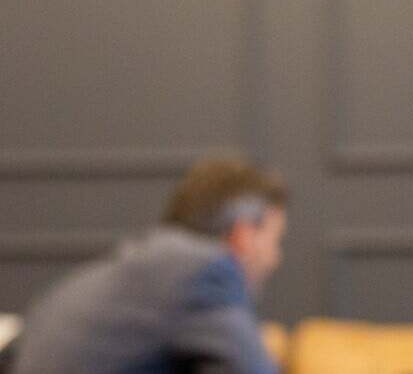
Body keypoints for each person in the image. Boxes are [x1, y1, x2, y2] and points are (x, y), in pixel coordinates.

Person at [13, 157, 287, 373]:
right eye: (275, 240)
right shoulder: (206, 270)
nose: (276, 258)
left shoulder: (116, 276)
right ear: (244, 236)